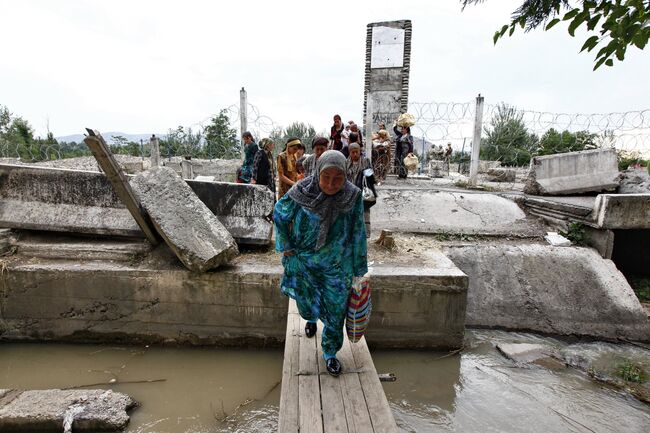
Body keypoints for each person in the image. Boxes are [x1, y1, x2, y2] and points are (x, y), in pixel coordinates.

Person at [274, 150, 368, 377]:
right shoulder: (302, 190)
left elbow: (358, 232)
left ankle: (329, 353)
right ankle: (312, 318)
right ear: (317, 173)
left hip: (338, 266)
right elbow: (279, 213)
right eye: (326, 177)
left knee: (336, 309)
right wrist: (286, 246)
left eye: (338, 179)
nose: (331, 184)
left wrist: (358, 270)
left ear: (345, 176)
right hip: (305, 261)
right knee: (308, 303)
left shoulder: (352, 196)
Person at [346, 142, 377, 237]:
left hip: (363, 192)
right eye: (353, 152)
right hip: (350, 192)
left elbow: (371, 176)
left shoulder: (365, 161)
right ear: (349, 153)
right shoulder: (346, 163)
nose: (355, 154)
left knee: (365, 211)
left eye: (357, 152)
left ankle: (366, 233)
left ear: (360, 151)